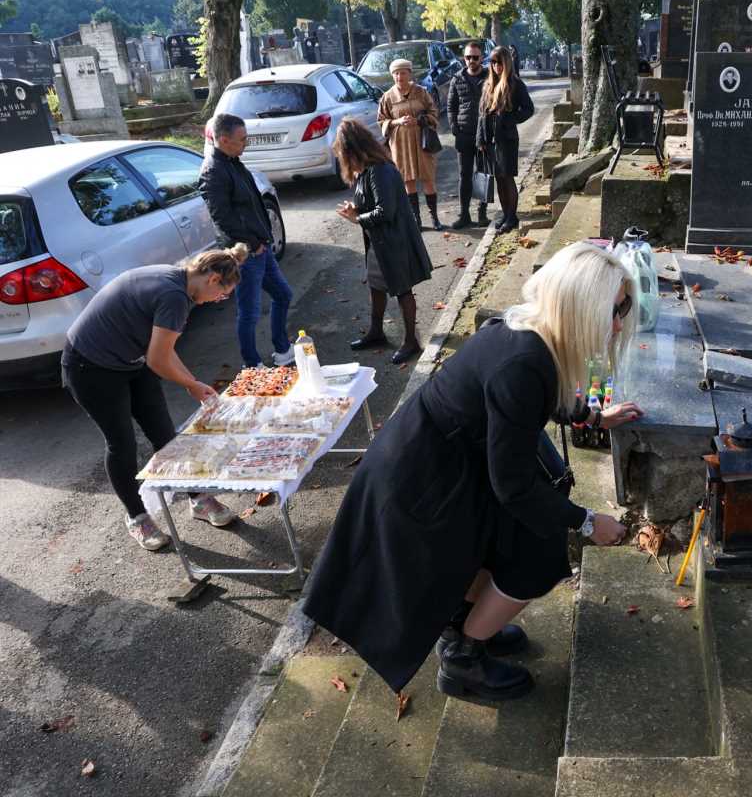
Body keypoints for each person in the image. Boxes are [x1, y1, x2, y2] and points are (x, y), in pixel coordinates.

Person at [303, 242, 645, 701]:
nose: (619, 324)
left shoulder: (529, 330)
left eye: (623, 309)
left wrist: (594, 417)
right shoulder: (523, 362)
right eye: (614, 311)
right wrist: (587, 522)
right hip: (422, 480)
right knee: (536, 556)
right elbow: (516, 485)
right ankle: (464, 659)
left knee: (501, 545)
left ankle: (465, 627)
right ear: (578, 308)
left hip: (446, 462)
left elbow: (547, 395)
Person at [61, 246, 245, 551]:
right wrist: (191, 385)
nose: (219, 300)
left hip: (130, 360)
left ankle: (198, 499)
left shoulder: (181, 281)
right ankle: (137, 517)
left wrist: (191, 382)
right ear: (213, 279)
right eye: (223, 295)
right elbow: (158, 361)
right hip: (90, 367)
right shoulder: (174, 297)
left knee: (164, 433)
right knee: (122, 444)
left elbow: (163, 349)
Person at [333, 118, 433, 364]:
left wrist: (357, 218)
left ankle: (411, 341)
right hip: (379, 242)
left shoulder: (379, 170)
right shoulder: (366, 171)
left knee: (402, 290)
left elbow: (385, 212)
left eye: (342, 152)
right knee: (376, 286)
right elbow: (372, 203)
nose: (342, 158)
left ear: (352, 150)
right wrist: (356, 208)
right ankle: (376, 332)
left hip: (395, 241)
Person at [200, 113, 294, 369]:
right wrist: (252, 244)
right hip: (245, 253)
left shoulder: (233, 162)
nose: (246, 143)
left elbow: (250, 204)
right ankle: (252, 364)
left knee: (283, 295)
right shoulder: (213, 171)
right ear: (223, 140)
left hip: (261, 248)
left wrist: (262, 240)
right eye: (242, 139)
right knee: (249, 312)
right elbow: (222, 218)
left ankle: (282, 349)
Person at [377, 58, 444, 231]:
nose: (399, 77)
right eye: (396, 74)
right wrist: (397, 121)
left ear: (410, 74)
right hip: (401, 144)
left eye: (403, 73)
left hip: (423, 141)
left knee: (428, 179)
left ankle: (434, 217)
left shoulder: (421, 92)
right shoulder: (387, 97)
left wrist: (419, 120)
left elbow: (434, 112)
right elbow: (382, 121)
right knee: (408, 180)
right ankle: (416, 219)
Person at [476, 45, 534, 234]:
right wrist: (480, 139)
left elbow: (528, 109)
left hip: (507, 139)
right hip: (490, 140)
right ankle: (505, 214)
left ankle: (512, 216)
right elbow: (481, 114)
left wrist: (510, 120)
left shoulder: (515, 84)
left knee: (507, 178)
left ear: (507, 62)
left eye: (499, 62)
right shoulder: (487, 84)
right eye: (493, 62)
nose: (496, 66)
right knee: (499, 179)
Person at [447, 40, 491, 229]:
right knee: (464, 175)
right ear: (463, 58)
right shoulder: (457, 78)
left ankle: (482, 214)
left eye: (475, 57)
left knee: (483, 174)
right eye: (467, 57)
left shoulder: (490, 76)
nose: (471, 60)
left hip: (485, 134)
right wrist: (454, 127)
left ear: (481, 58)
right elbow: (451, 106)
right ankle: (464, 214)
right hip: (464, 134)